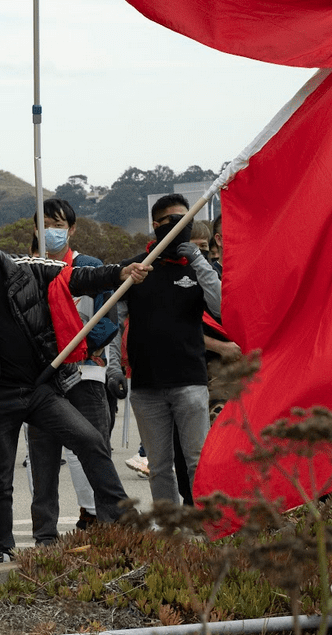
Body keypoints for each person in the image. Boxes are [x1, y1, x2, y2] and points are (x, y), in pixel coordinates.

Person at [0, 195, 146, 563]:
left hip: (41, 388)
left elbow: (78, 277)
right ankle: (1, 547)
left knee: (91, 441)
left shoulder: (26, 268)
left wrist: (120, 271)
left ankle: (123, 519)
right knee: (0, 479)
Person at [25, 199, 122, 543]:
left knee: (94, 449)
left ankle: (107, 522)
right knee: (43, 458)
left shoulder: (88, 266)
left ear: (72, 229)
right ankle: (45, 534)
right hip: (41, 381)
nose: (52, 230)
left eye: (59, 224)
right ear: (35, 228)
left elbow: (106, 321)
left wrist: (74, 348)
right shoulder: (25, 270)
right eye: (46, 223)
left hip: (85, 373)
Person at [120, 194, 222, 507]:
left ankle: (205, 524)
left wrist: (197, 259)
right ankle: (170, 530)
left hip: (190, 382)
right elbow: (116, 319)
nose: (181, 227)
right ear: (156, 225)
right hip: (147, 385)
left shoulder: (196, 267)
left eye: (186, 221)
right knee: (160, 466)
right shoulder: (135, 269)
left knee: (197, 460)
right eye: (173, 221)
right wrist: (115, 367)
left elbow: (221, 306)